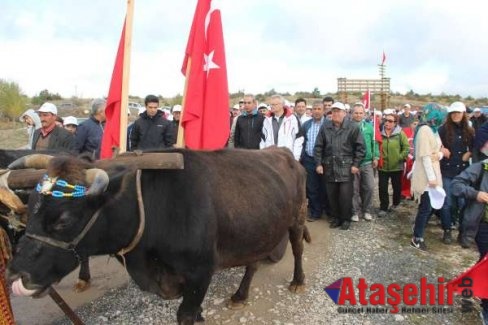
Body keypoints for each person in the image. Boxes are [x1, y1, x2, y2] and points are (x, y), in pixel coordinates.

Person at [451, 130, 488, 322]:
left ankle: (469, 285)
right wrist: (476, 194)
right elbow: (456, 185)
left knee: (484, 263)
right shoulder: (481, 168)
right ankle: (486, 308)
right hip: (483, 225)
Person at [314, 102, 365, 230]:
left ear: (344, 113)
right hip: (329, 166)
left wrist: (356, 164)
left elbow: (361, 148)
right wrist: (318, 163)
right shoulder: (325, 127)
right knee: (332, 195)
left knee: (345, 196)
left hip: (346, 167)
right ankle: (336, 218)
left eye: (338, 111)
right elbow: (318, 147)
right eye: (333, 111)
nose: (336, 114)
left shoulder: (353, 127)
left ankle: (346, 219)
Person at [410, 103, 447, 250]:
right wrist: (431, 179)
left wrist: (439, 154)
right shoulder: (425, 130)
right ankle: (417, 237)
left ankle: (417, 230)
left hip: (433, 171)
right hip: (426, 176)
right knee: (426, 207)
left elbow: (438, 150)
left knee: (428, 207)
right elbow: (425, 156)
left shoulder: (433, 129)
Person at [438, 101, 474, 244]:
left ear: (463, 114)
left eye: (458, 113)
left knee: (463, 202)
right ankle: (447, 230)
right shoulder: (443, 129)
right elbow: (435, 142)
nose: (455, 115)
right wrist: (440, 149)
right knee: (447, 202)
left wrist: (470, 152)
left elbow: (475, 147)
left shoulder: (469, 130)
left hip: (463, 172)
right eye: (453, 113)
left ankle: (462, 231)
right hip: (447, 169)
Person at [350, 102, 379, 222]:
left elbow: (374, 142)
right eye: (356, 113)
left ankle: (366, 210)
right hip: (353, 163)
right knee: (354, 189)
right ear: (352, 114)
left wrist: (375, 156)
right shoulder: (348, 126)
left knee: (370, 187)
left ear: (364, 113)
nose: (358, 115)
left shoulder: (369, 127)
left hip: (367, 162)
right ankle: (355, 211)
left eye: (360, 113)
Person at [377, 113, 410, 217]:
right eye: (386, 120)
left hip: (396, 166)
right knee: (382, 188)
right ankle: (383, 207)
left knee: (397, 187)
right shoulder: (379, 132)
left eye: (390, 121)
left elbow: (406, 148)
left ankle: (395, 203)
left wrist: (399, 157)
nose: (387, 122)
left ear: (395, 123)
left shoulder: (400, 134)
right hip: (383, 166)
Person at [300, 100, 328, 221]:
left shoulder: (329, 124)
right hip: (309, 160)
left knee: (325, 187)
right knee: (311, 187)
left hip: (325, 161)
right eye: (314, 109)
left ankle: (326, 210)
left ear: (323, 110)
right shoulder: (306, 125)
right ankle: (315, 212)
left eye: (319, 109)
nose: (316, 111)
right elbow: (302, 142)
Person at [260, 94, 303, 161]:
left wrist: (295, 158)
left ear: (282, 105)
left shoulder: (293, 119)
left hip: (287, 158)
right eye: (271, 104)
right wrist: (263, 156)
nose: (271, 106)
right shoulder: (266, 120)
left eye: (274, 104)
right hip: (270, 157)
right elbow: (263, 140)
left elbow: (298, 139)